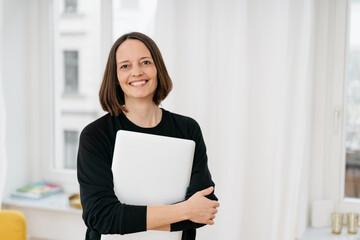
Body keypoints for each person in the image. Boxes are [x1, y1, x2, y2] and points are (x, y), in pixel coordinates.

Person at [77, 32, 219, 240]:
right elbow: (100, 217)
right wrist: (185, 210)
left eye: (145, 62)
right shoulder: (95, 135)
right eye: (125, 66)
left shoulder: (188, 130)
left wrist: (127, 219)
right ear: (115, 77)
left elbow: (205, 209)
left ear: (157, 69)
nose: (137, 72)